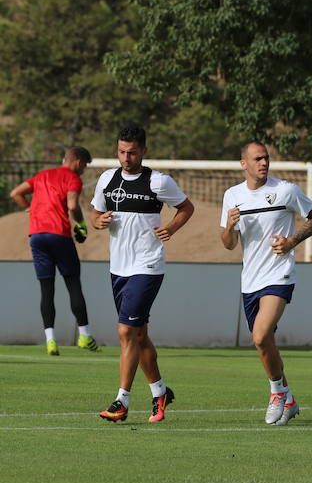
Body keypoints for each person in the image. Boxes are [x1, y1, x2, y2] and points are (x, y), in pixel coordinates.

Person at [91, 124, 194, 424]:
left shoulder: (158, 181)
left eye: (132, 152)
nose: (126, 157)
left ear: (144, 151)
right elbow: (96, 213)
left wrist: (171, 227)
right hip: (118, 267)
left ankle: (121, 401)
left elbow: (187, 207)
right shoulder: (106, 179)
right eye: (122, 151)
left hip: (147, 266)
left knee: (125, 331)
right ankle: (160, 392)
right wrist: (99, 222)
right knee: (138, 334)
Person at [221, 141, 312, 426]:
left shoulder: (286, 190)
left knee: (259, 336)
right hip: (249, 280)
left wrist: (292, 241)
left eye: (266, 158)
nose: (263, 163)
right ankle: (288, 398)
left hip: (279, 275)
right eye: (257, 159)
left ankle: (276, 394)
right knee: (264, 344)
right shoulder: (232, 196)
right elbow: (229, 244)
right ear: (244, 163)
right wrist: (229, 226)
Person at [10, 146, 99, 356]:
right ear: (77, 161)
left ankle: (51, 341)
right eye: (85, 165)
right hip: (59, 235)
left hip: (37, 236)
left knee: (46, 290)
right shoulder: (72, 178)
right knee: (73, 284)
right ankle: (84, 336)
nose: (84, 170)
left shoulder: (42, 175)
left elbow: (16, 193)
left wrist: (29, 210)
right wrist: (81, 225)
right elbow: (72, 205)